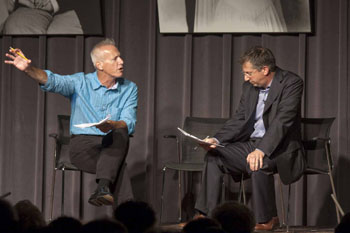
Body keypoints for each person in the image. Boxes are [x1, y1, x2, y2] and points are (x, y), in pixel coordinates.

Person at [4, 38, 137, 207]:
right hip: (83, 147)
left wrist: (113, 125)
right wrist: (29, 69)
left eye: (120, 57)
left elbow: (129, 120)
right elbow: (52, 81)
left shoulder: (130, 88)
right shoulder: (80, 82)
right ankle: (130, 217)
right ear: (100, 65)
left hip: (112, 144)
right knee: (118, 167)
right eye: (115, 59)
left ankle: (103, 189)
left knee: (121, 131)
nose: (121, 61)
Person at [194, 46, 305, 231]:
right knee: (214, 156)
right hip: (251, 144)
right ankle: (206, 216)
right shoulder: (249, 87)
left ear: (265, 70)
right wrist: (216, 139)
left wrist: (261, 150)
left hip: (280, 147)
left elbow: (282, 121)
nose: (246, 78)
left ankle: (267, 218)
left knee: (258, 163)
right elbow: (239, 119)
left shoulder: (291, 83)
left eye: (249, 73)